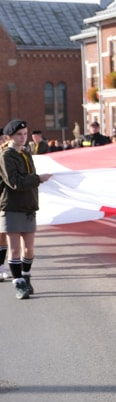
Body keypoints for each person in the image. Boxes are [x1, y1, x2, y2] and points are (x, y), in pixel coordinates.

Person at [0, 119, 52, 300]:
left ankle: (26, 275)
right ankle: (19, 284)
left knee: (29, 249)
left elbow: (29, 178)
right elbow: (15, 182)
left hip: (28, 206)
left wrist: (38, 179)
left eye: (24, 134)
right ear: (9, 137)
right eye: (18, 135)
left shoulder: (27, 153)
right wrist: (39, 178)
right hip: (12, 206)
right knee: (14, 249)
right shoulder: (6, 155)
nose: (23, 138)